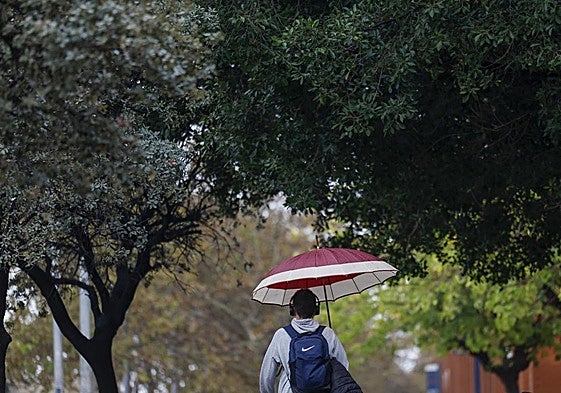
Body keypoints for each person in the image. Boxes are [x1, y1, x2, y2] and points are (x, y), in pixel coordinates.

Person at [259, 289, 349, 393]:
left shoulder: (282, 335)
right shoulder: (327, 334)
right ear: (316, 309)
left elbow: (266, 377)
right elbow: (343, 366)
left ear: (293, 309)